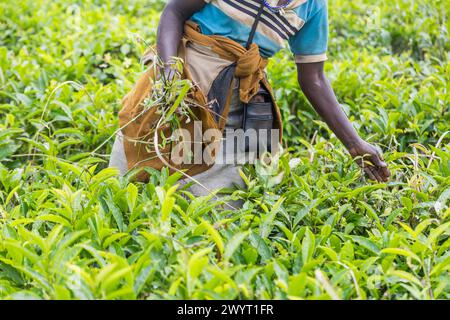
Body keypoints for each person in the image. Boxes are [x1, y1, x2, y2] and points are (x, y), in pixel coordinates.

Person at [110, 0, 390, 198]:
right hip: (186, 79)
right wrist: (169, 71)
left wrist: (355, 144)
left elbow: (313, 78)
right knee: (139, 166)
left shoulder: (311, 6)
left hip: (236, 98)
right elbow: (174, 11)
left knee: (217, 198)